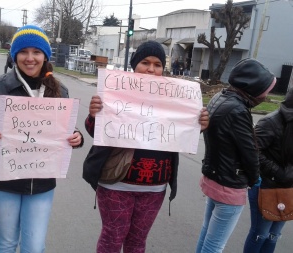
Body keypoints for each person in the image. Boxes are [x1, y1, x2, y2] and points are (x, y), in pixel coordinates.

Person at [83, 40, 209, 253]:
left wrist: (199, 125)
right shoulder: (115, 91)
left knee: (137, 241)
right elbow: (97, 133)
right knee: (113, 237)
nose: (151, 69)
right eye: (145, 62)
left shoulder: (175, 97)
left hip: (154, 186)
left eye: (157, 64)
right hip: (116, 183)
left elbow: (180, 134)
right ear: (134, 65)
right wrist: (94, 115)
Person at [0, 25, 84, 253]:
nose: (30, 58)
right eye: (24, 52)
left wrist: (77, 136)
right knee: (6, 242)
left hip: (41, 183)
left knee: (34, 246)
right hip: (3, 180)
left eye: (37, 52)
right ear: (14, 55)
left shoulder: (59, 90)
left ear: (45, 56)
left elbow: (63, 129)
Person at [196, 58, 276, 253]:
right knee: (215, 245)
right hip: (230, 184)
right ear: (253, 87)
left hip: (213, 176)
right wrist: (254, 179)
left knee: (207, 233)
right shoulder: (238, 110)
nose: (265, 96)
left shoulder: (219, 98)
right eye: (265, 91)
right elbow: (250, 153)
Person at [243, 85, 293, 252]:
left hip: (288, 187)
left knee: (274, 235)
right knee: (260, 234)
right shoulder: (270, 122)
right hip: (266, 186)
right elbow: (253, 153)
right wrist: (279, 173)